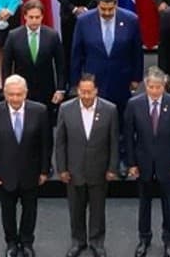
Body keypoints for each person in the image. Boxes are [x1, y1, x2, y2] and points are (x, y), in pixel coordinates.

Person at [0, 75, 52, 257]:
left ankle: (27, 242)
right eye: (11, 94)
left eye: (19, 94)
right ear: (4, 93)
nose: (15, 98)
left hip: (31, 172)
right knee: (7, 212)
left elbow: (46, 144)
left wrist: (45, 170)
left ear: (26, 93)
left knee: (30, 211)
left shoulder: (40, 111)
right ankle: (11, 242)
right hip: (4, 173)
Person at [124, 67, 170, 257]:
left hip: (167, 164)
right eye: (151, 87)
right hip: (143, 163)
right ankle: (144, 239)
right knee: (144, 204)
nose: (154, 91)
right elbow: (128, 137)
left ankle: (169, 241)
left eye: (158, 87)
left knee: (168, 205)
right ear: (146, 86)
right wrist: (131, 163)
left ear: (164, 86)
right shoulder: (134, 104)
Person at [54, 74, 119, 257]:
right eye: (82, 91)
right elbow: (60, 142)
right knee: (76, 209)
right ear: (77, 91)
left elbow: (114, 141)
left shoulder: (110, 110)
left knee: (98, 210)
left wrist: (112, 168)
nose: (86, 95)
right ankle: (78, 241)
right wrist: (62, 168)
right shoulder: (66, 109)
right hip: (74, 170)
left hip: (99, 169)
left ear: (96, 90)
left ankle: (97, 242)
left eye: (89, 91)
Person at [69, 0, 143, 119]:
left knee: (121, 118)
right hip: (94, 80)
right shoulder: (83, 21)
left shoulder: (131, 20)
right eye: (103, 9)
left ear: (116, 5)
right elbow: (77, 54)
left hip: (121, 79)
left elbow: (136, 51)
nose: (107, 13)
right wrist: (75, 82)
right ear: (97, 5)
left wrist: (136, 78)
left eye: (110, 9)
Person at [1, 0, 66, 127]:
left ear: (42, 17)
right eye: (31, 17)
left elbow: (61, 65)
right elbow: (6, 66)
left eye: (37, 17)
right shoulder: (14, 36)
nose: (34, 21)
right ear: (25, 16)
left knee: (46, 127)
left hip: (46, 92)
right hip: (22, 92)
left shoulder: (52, 35)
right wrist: (7, 89)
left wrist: (60, 89)